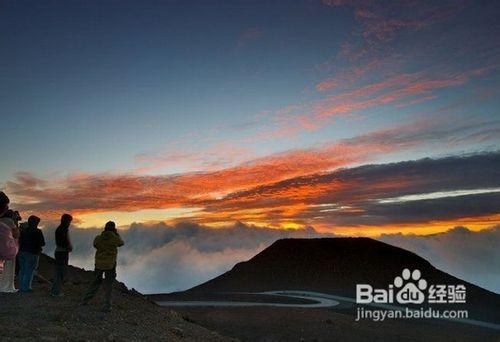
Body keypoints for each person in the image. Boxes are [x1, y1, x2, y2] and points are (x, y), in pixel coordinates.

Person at [81, 221, 124, 312]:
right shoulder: (115, 238)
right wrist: (116, 234)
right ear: (113, 229)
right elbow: (121, 243)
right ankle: (107, 305)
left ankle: (85, 300)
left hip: (99, 263)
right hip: (110, 264)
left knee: (95, 283)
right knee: (109, 285)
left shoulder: (98, 238)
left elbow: (95, 245)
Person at [18, 215, 45, 293]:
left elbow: (20, 241)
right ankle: (25, 288)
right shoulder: (38, 231)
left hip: (21, 252)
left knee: (22, 270)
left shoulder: (23, 231)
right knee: (29, 270)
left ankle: (21, 287)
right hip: (32, 253)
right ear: (35, 223)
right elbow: (42, 243)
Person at [50, 214, 73, 297]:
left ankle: (55, 290)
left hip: (60, 252)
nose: (70, 223)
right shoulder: (63, 229)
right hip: (62, 253)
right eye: (69, 221)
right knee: (60, 272)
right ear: (66, 221)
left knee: (59, 272)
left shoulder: (60, 229)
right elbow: (62, 242)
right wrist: (69, 247)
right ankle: (56, 292)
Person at [0, 210, 21, 292]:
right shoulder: (10, 221)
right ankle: (6, 285)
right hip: (8, 247)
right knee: (8, 267)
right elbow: (16, 234)